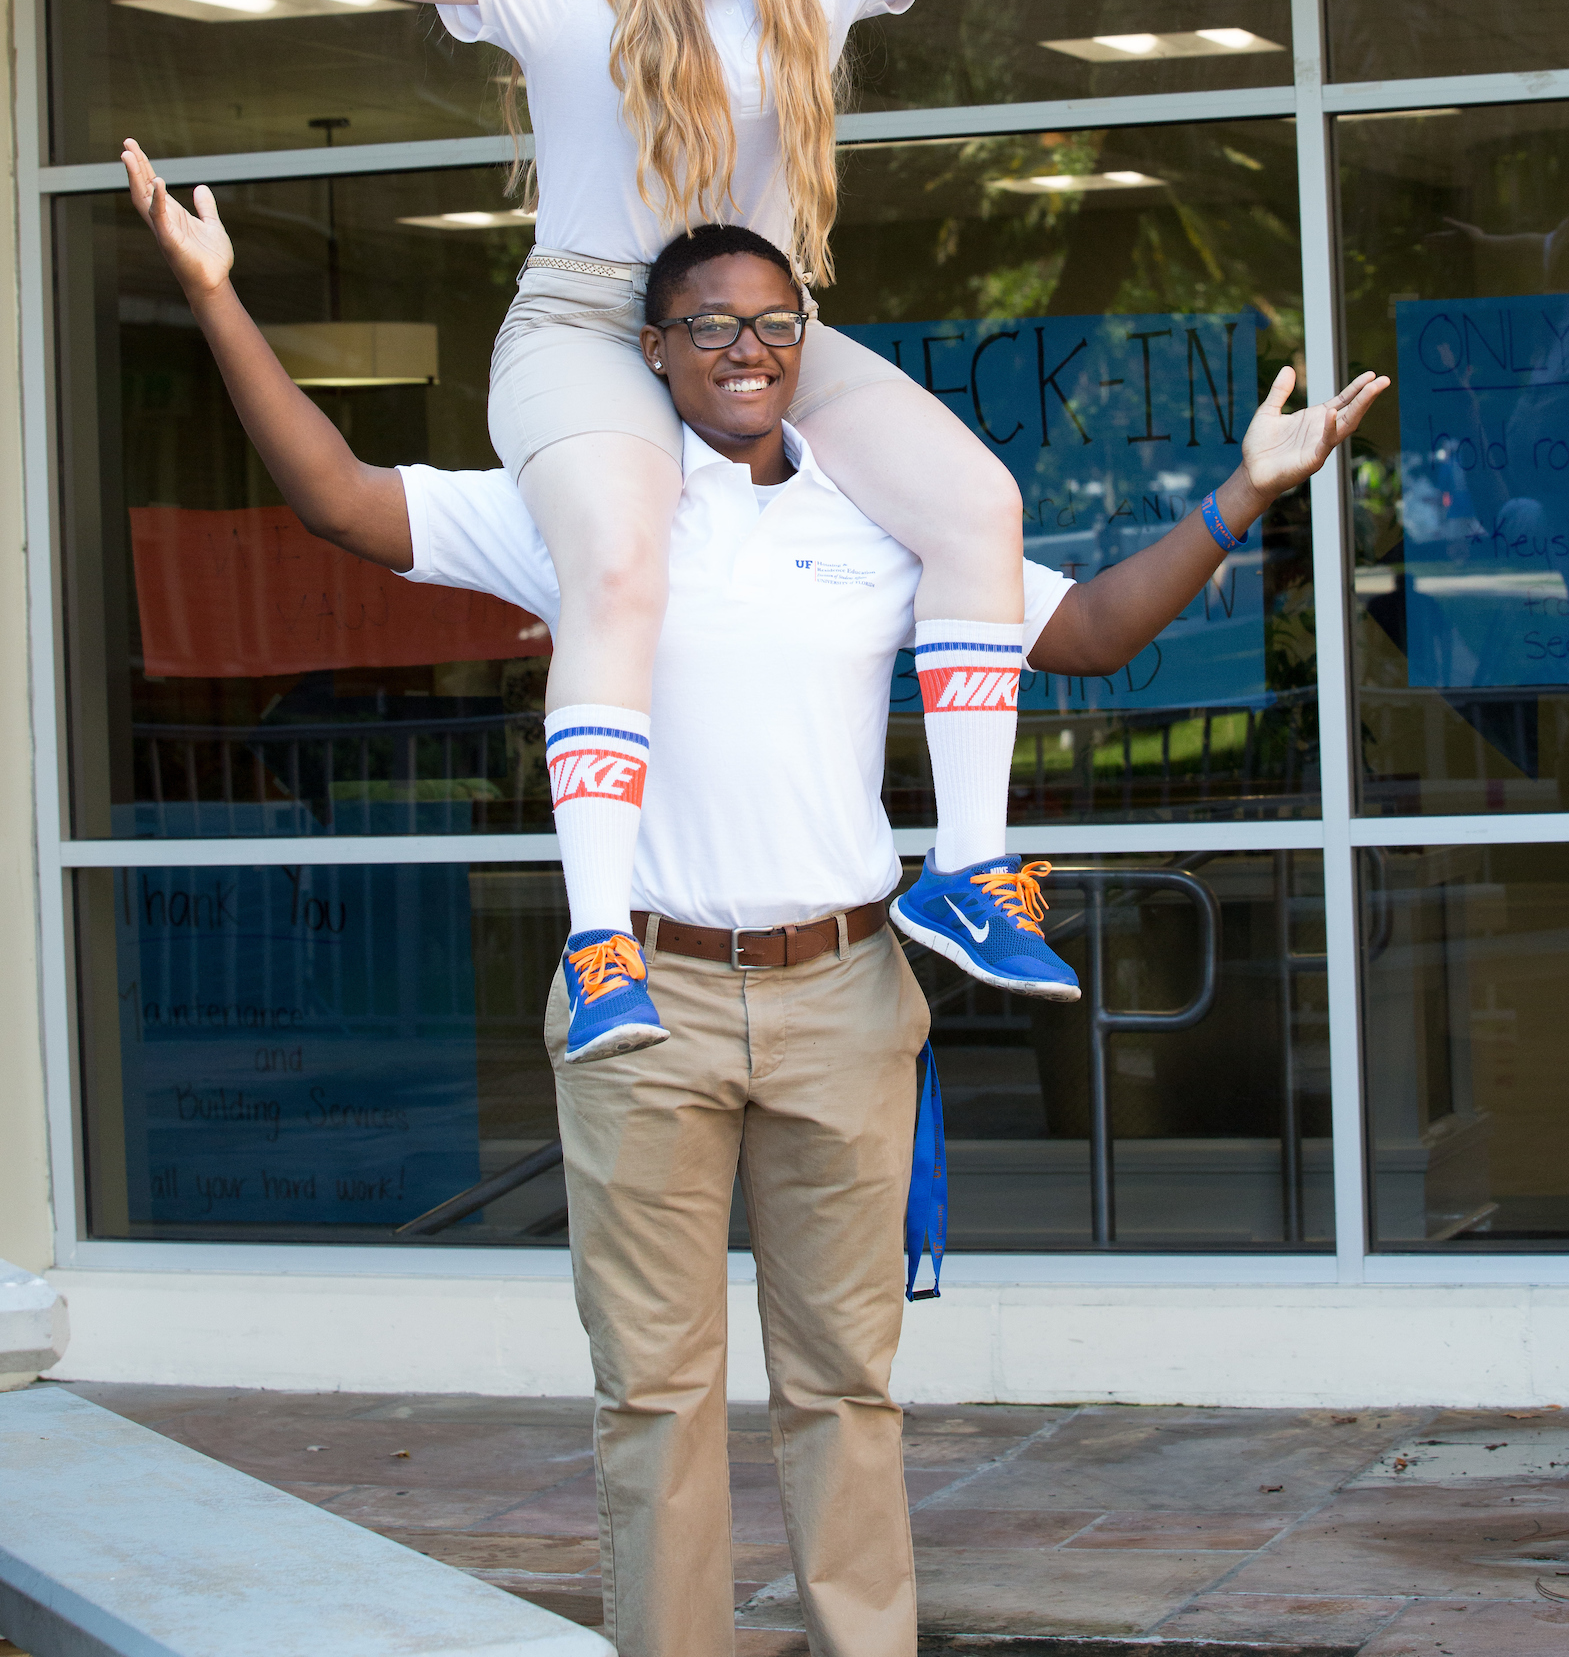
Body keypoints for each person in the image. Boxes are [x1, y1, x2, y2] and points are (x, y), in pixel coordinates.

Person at [124, 141, 1386, 1657]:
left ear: (812, 346)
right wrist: (215, 298)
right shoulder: (590, 510)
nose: (746, 350)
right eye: (710, 325)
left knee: (844, 1384)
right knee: (653, 1393)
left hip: (842, 996)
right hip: (642, 999)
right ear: (649, 353)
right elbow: (339, 500)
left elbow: (1099, 633)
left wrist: (1245, 493)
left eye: (776, 323)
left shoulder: (882, 515)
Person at [12, 0, 1363, 1052]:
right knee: (617, 555)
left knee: (980, 509)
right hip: (591, 318)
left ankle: (965, 872)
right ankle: (604, 943)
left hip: (763, 319)